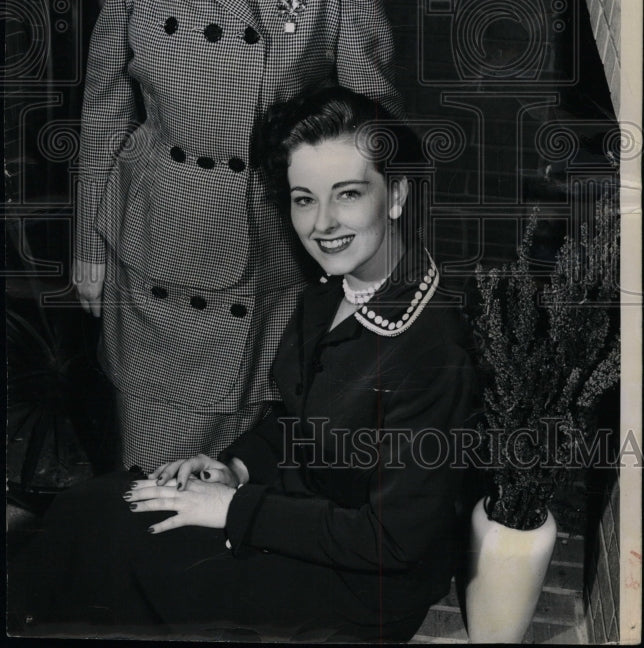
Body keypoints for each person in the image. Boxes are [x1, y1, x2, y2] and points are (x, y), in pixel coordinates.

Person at [12, 88, 479, 643]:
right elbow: (301, 421)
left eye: (348, 194)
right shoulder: (330, 292)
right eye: (304, 199)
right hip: (295, 512)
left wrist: (236, 509)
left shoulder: (432, 351)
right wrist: (236, 466)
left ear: (396, 195)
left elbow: (393, 541)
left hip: (358, 585)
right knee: (87, 509)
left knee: (119, 551)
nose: (323, 223)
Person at [73, 0, 401, 471]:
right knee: (151, 484)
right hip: (154, 253)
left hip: (272, 266)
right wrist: (87, 243)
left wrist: (363, 262)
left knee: (243, 481)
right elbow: (106, 105)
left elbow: (373, 132)